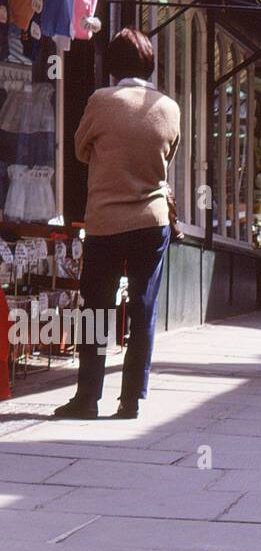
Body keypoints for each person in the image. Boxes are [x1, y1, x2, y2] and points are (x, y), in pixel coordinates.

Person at [54, 27, 179, 419]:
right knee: (143, 306)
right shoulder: (169, 107)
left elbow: (79, 149)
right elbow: (167, 157)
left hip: (106, 219)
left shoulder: (100, 101)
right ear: (149, 63)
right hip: (150, 219)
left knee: (96, 309)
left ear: (111, 66)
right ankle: (131, 400)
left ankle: (87, 398)